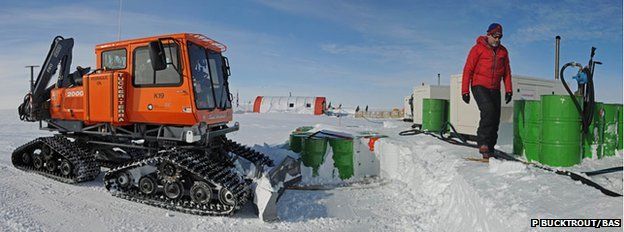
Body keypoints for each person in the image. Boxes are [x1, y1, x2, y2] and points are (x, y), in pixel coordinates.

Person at [461, 23, 513, 159]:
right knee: (488, 110)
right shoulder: (477, 49)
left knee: (495, 116)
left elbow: (507, 72)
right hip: (479, 85)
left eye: (500, 37)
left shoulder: (503, 51)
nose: (497, 39)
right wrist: (464, 90)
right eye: (495, 36)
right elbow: (468, 70)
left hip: (495, 88)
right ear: (488, 35)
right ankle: (483, 142)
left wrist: (509, 90)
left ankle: (490, 147)